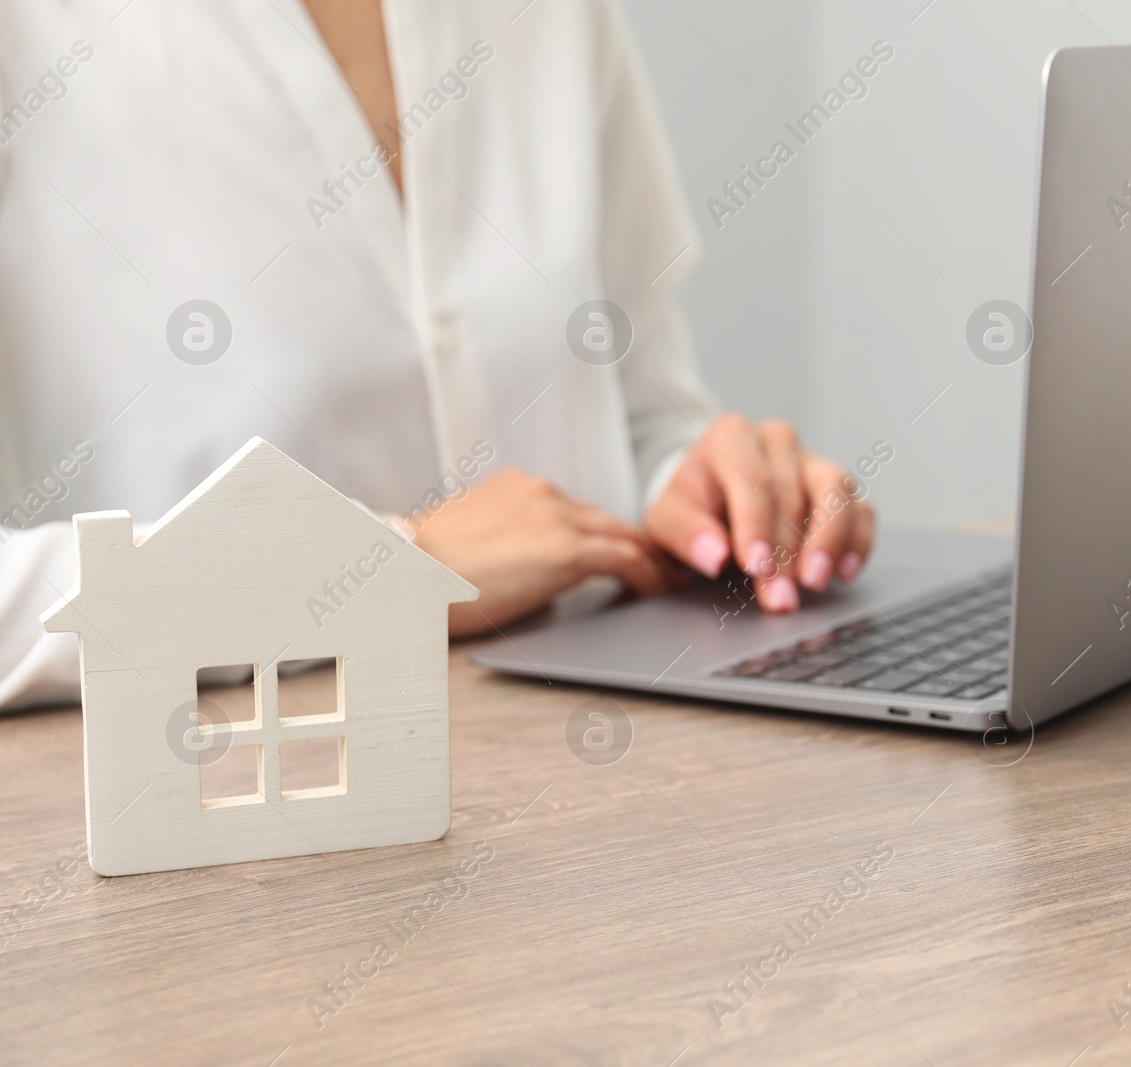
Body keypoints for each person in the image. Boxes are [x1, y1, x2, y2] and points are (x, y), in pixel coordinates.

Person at [0, 0, 875, 710]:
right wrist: (391, 569)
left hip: (616, 775)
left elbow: (639, 408)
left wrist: (707, 493)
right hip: (233, 830)